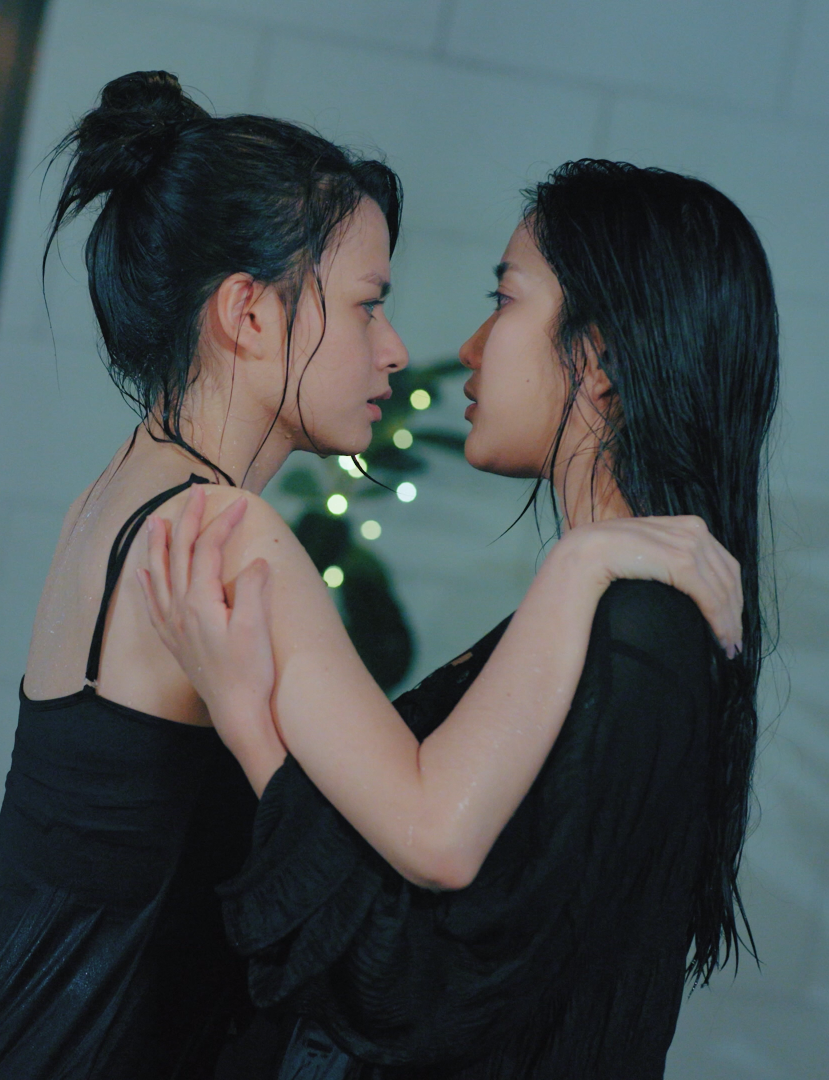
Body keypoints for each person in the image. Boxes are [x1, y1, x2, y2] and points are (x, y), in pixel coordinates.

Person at [0, 71, 744, 1079]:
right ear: (249, 314)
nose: (395, 350)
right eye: (366, 307)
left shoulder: (120, 495)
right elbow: (433, 831)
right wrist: (585, 556)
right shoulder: (228, 534)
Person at [138, 159, 778, 1077]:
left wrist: (248, 719)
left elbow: (410, 985)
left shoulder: (636, 635)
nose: (471, 348)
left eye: (504, 300)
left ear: (600, 359)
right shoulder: (607, 618)